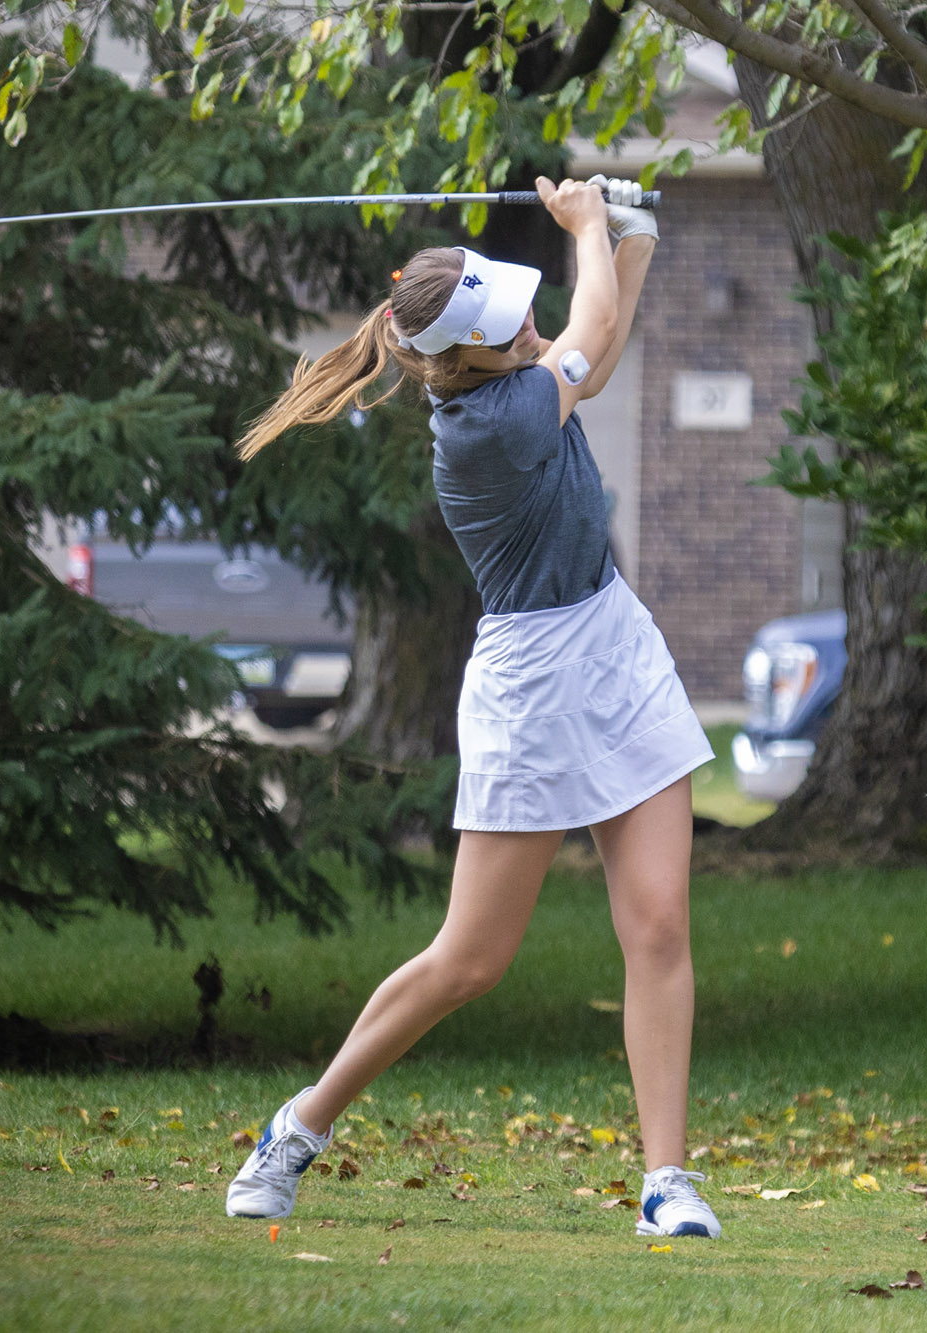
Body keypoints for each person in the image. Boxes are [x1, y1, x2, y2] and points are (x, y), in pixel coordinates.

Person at [222, 176, 721, 1241]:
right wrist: (591, 228)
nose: (530, 326)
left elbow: (595, 337)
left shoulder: (518, 376)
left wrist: (631, 237)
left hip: (614, 645)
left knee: (659, 924)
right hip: (532, 683)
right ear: (466, 359)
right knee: (470, 962)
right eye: (511, 327)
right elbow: (587, 332)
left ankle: (666, 1182)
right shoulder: (486, 425)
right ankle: (298, 1126)